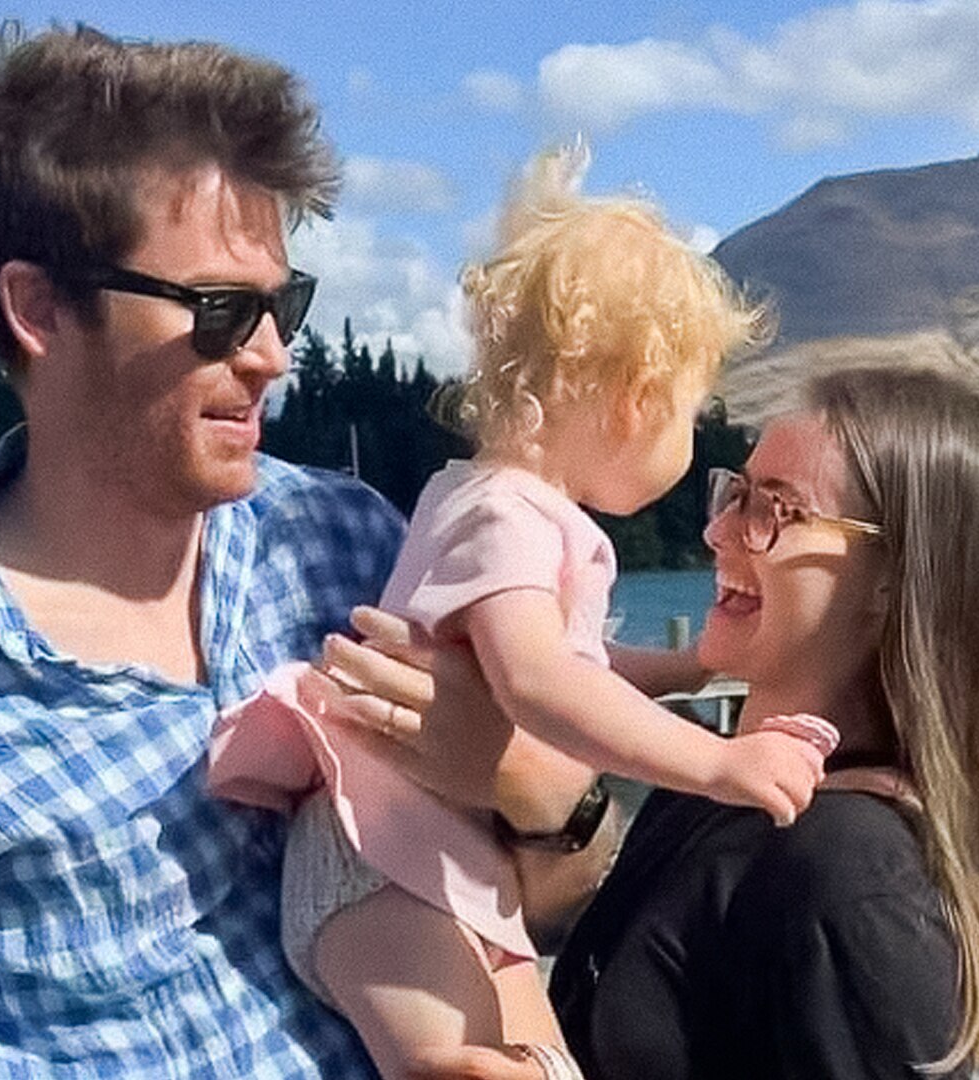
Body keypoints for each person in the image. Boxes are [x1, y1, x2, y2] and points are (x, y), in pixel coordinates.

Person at [0, 26, 399, 1077]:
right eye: (221, 310)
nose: (273, 355)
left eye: (282, 304)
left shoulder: (345, 544)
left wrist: (537, 793)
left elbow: (547, 896)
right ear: (39, 307)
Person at [206, 147, 833, 1080]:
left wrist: (685, 670)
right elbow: (537, 684)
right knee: (455, 1064)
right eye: (689, 415)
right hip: (381, 864)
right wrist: (718, 763)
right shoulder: (508, 517)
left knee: (543, 1060)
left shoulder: (497, 505)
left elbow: (571, 668)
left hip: (430, 865)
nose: (689, 442)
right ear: (635, 401)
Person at [311, 365, 979, 1079]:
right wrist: (523, 782)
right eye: (735, 494)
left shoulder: (852, 877)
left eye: (776, 510)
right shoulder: (710, 788)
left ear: (894, 579)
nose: (718, 532)